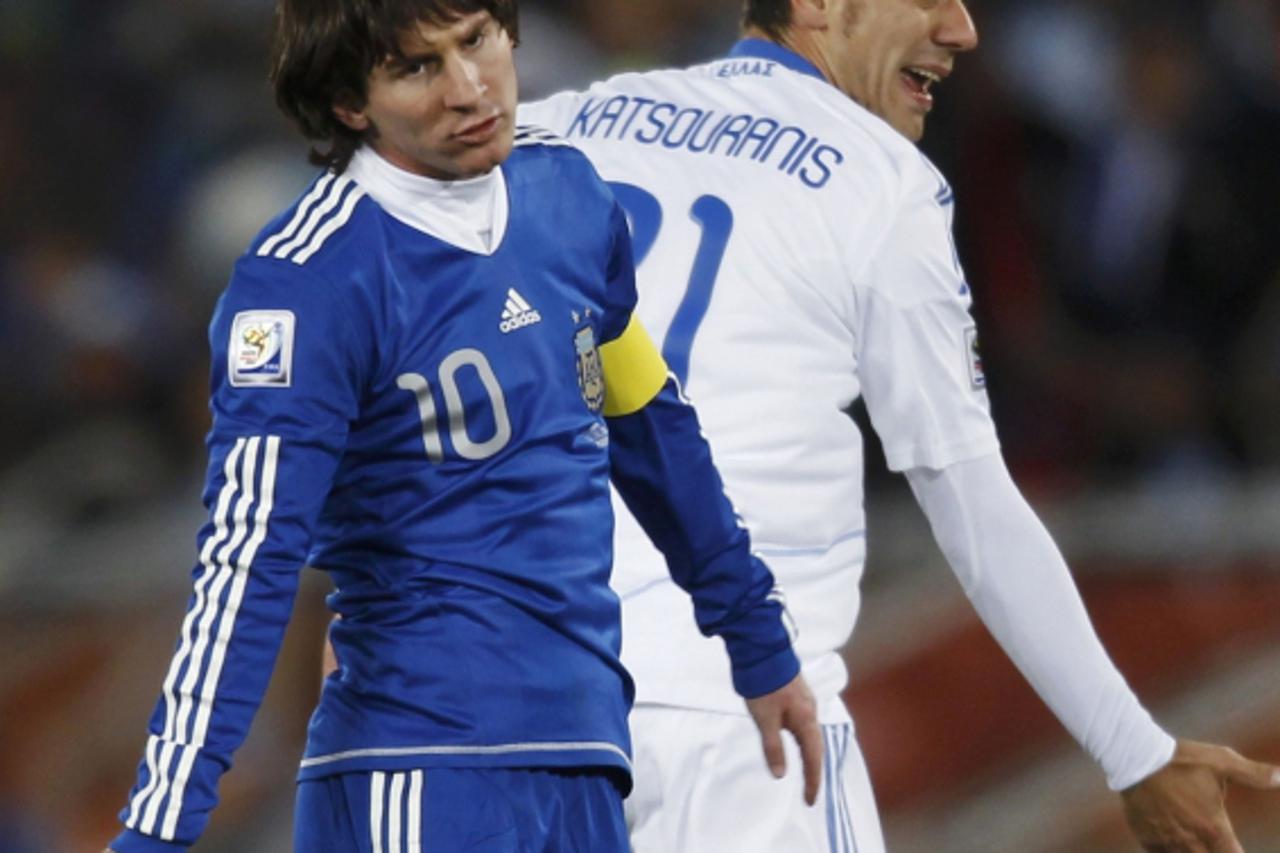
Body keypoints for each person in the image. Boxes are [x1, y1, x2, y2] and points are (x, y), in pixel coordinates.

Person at [519, 0, 1280, 850]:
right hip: (736, 728)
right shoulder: (877, 182)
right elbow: (972, 501)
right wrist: (1134, 750)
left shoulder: (552, 126)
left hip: (509, 708)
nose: (963, 27)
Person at [103, 1, 824, 851]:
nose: (471, 87)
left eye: (476, 40)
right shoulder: (308, 284)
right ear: (348, 103)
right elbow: (246, 559)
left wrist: (757, 636)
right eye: (417, 67)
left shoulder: (571, 199)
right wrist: (158, 828)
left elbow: (649, 422)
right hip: (420, 770)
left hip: (587, 758)